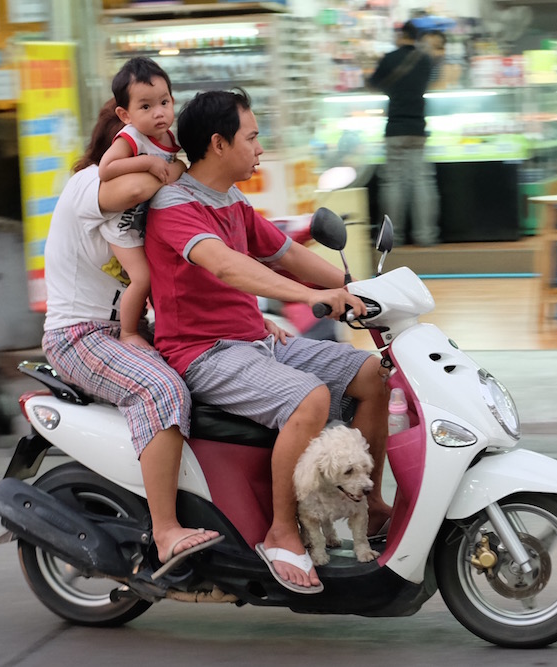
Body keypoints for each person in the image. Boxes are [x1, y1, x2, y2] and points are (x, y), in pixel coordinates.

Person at [144, 89, 392, 594]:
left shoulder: (232, 200)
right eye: (252, 137)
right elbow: (226, 266)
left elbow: (288, 254)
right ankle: (282, 532)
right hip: (203, 352)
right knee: (310, 397)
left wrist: (363, 291)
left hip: (256, 341)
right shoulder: (174, 206)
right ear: (218, 144)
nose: (260, 148)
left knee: (371, 374)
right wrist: (316, 295)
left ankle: (370, 503)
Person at [40, 91, 221, 578]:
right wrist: (163, 163)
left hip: (126, 328)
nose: (167, 141)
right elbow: (133, 186)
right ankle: (165, 529)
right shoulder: (88, 187)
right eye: (152, 124)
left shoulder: (147, 202)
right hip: (79, 335)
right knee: (161, 389)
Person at [97, 56, 183, 349]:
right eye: (145, 107)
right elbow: (105, 170)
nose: (158, 113)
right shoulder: (131, 138)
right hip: (121, 227)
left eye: (164, 102)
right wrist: (144, 162)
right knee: (143, 278)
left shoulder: (169, 138)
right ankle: (129, 332)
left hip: (143, 225)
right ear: (125, 114)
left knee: (164, 276)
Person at [369, 20, 439, 247]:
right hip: (418, 129)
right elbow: (430, 84)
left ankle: (394, 237)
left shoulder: (389, 58)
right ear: (417, 37)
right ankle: (426, 236)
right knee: (422, 182)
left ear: (400, 35)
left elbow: (372, 84)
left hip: (395, 128)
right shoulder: (425, 60)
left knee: (393, 183)